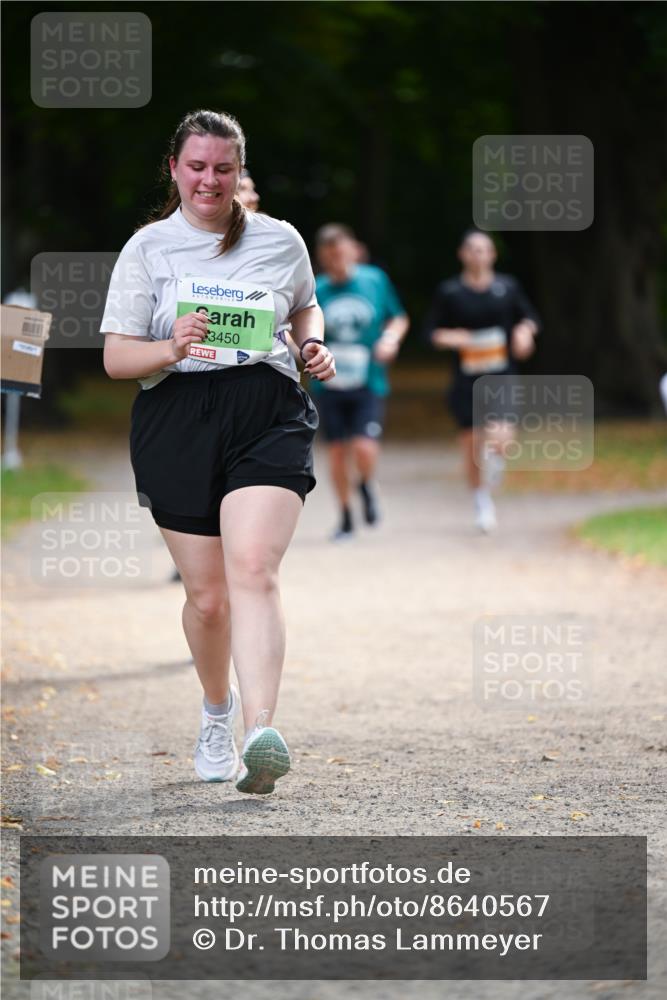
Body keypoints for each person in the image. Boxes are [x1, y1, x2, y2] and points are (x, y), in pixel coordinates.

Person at [101, 109, 336, 794]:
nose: (209, 179)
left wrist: (311, 343)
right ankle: (215, 711)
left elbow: (304, 308)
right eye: (196, 166)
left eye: (222, 168)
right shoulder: (148, 248)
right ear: (174, 169)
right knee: (208, 600)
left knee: (254, 566)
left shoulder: (279, 239)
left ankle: (259, 733)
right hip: (177, 416)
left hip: (266, 409)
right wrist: (170, 347)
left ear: (239, 172)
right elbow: (117, 358)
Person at [425, 229, 540, 532]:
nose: (478, 255)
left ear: (493, 255)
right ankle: (481, 502)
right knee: (472, 446)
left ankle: (496, 461)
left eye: (484, 249)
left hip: (500, 374)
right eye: (472, 249)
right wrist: (452, 337)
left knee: (502, 436)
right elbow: (431, 332)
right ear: (462, 255)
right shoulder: (450, 292)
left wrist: (524, 332)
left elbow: (529, 318)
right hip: (466, 380)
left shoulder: (508, 287)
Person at [311, 224, 409, 540]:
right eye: (330, 257)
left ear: (354, 250)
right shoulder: (317, 289)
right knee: (338, 453)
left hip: (368, 381)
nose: (337, 262)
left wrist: (391, 339)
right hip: (329, 384)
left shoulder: (374, 280)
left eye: (341, 254)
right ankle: (345, 517)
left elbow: (398, 316)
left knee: (364, 448)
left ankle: (366, 485)